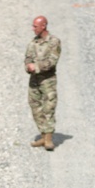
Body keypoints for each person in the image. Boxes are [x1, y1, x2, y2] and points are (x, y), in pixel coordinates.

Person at [24, 16, 61, 151]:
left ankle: (49, 139)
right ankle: (43, 136)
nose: (33, 28)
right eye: (33, 26)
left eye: (35, 26)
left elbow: (52, 61)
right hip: (34, 80)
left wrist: (37, 66)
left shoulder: (53, 42)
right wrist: (28, 66)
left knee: (48, 107)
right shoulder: (33, 43)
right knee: (35, 107)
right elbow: (27, 58)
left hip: (48, 80)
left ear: (43, 26)